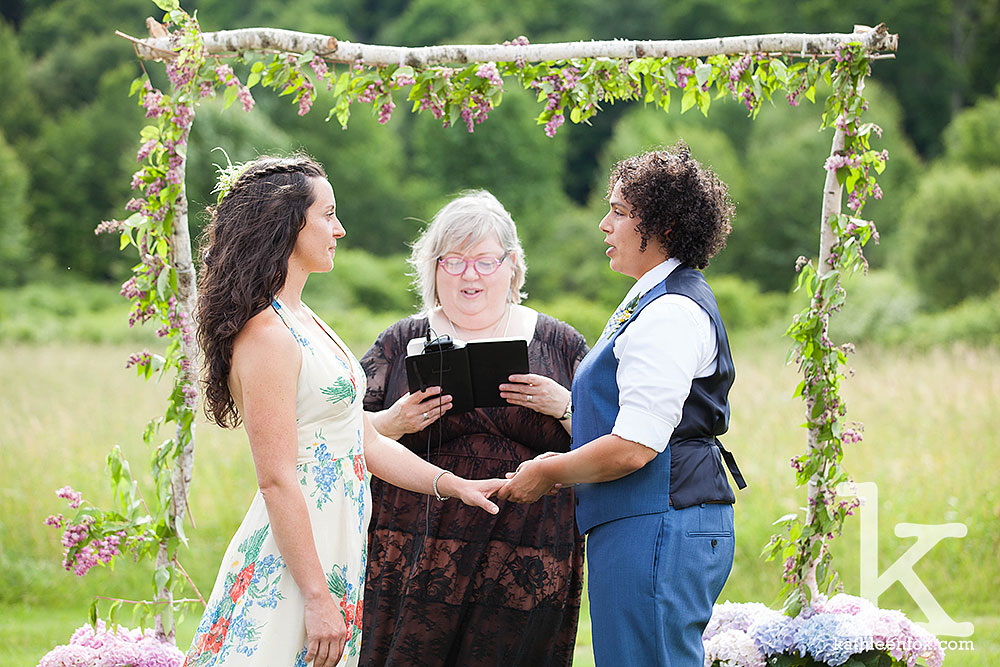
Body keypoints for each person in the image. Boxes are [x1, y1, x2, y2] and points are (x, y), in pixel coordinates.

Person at [184, 156, 504, 667]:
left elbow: (365, 442)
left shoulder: (305, 319)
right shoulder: (268, 336)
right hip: (296, 557)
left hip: (335, 542)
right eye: (328, 214)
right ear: (288, 223)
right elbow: (276, 480)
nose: (340, 229)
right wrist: (316, 595)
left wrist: (453, 485)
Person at [499, 144, 747, 666]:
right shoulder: (653, 297)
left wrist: (548, 471)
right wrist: (569, 408)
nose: (604, 225)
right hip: (645, 521)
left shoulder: (670, 310)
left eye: (618, 211)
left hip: (658, 522)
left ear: (664, 226)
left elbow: (635, 446)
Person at [358, 190, 588, 667]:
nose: (469, 275)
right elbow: (343, 434)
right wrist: (393, 422)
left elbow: (613, 442)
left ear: (512, 265)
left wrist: (565, 407)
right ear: (433, 267)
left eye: (485, 261)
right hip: (416, 552)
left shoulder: (560, 344)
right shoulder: (400, 342)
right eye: (454, 261)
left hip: (526, 555)